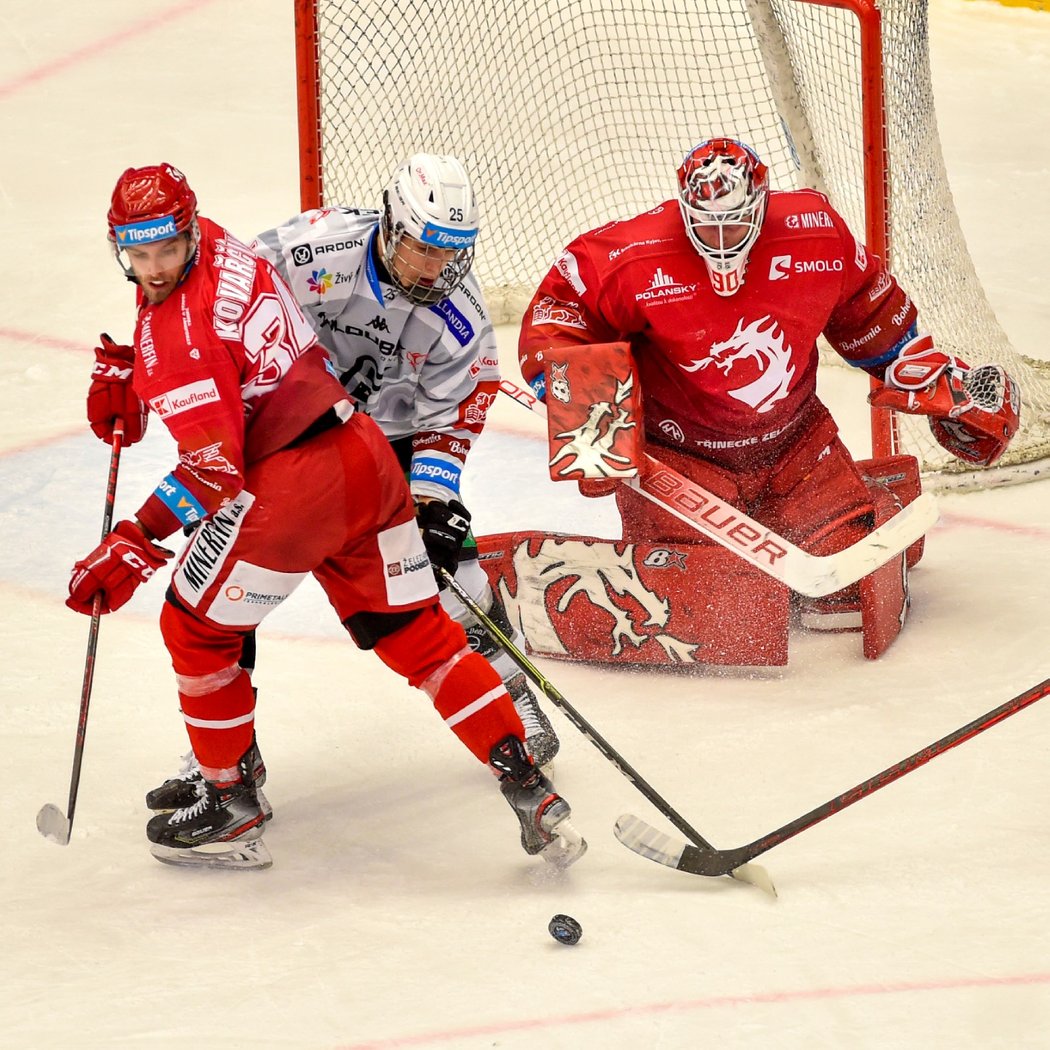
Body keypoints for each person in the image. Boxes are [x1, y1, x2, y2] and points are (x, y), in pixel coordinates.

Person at [70, 162, 585, 871]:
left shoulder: (458, 318)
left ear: (190, 231)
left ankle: (231, 796)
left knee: (195, 622)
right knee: (422, 637)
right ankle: (528, 787)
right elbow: (202, 313)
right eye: (140, 250)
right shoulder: (266, 247)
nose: (153, 266)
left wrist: (134, 541)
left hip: (327, 465)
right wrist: (140, 360)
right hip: (360, 454)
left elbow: (216, 462)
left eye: (166, 248)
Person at [518, 137, 1019, 632]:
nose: (721, 239)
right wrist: (590, 416)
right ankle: (818, 512)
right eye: (706, 224)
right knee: (703, 608)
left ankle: (871, 498)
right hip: (680, 461)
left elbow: (868, 309)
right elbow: (558, 319)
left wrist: (935, 381)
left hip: (795, 448)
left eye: (734, 221)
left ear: (762, 203)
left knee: (845, 595)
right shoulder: (629, 254)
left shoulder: (815, 232)